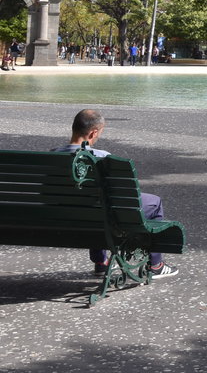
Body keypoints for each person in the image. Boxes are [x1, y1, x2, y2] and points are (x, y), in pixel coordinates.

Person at [50, 109, 180, 279]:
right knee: (154, 203)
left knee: (92, 205)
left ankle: (101, 262)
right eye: (100, 133)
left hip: (64, 218)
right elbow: (118, 195)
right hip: (101, 216)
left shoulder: (53, 155)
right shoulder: (103, 157)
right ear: (93, 132)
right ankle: (156, 265)